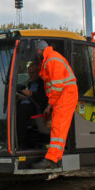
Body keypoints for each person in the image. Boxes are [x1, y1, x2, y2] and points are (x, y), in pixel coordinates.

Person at [32, 40, 78, 169]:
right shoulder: (49, 59)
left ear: (40, 50)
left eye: (36, 51)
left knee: (58, 126)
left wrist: (50, 105)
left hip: (65, 95)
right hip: (62, 95)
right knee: (56, 126)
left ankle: (52, 159)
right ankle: (53, 157)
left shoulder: (52, 60)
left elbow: (57, 86)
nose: (36, 53)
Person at [15, 61, 48, 149]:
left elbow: (43, 99)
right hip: (25, 105)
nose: (30, 75)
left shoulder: (42, 83)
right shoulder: (29, 83)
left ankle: (23, 143)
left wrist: (31, 94)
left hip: (35, 107)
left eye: (33, 73)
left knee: (22, 111)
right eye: (29, 73)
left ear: (38, 72)